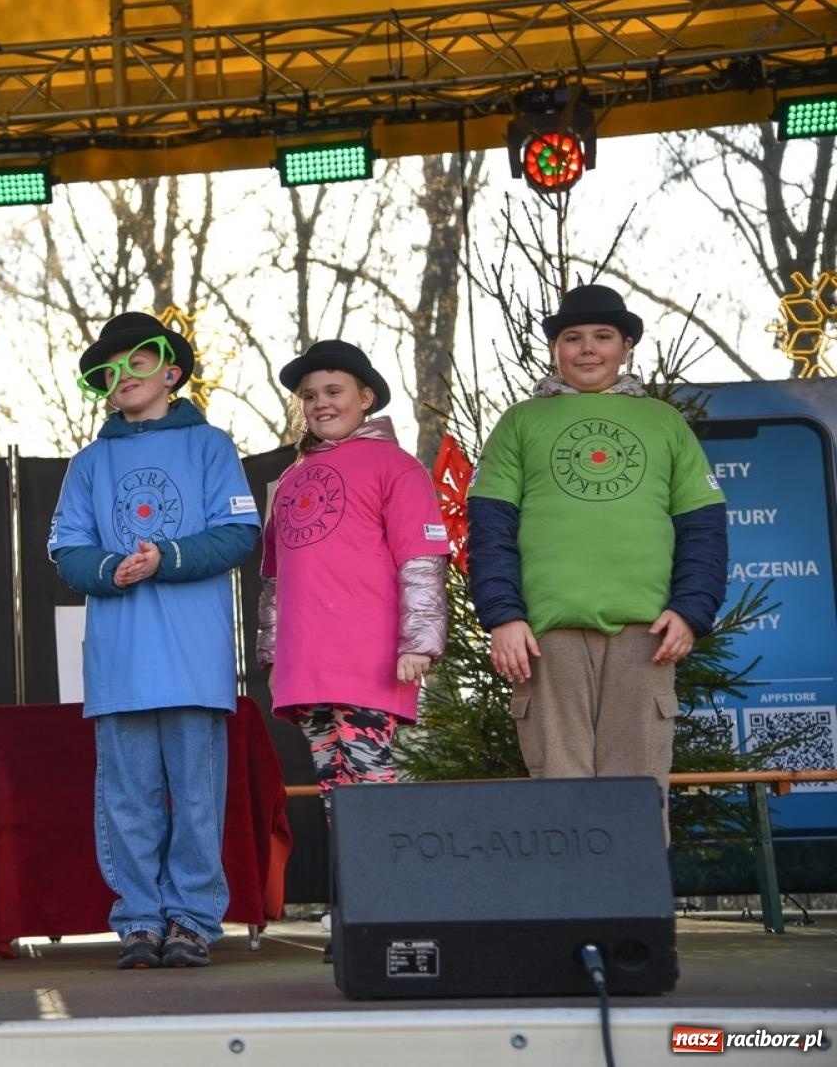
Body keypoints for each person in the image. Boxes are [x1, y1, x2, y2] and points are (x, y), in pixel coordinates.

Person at [467, 284, 727, 836]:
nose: (587, 349)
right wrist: (504, 615)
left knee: (637, 786)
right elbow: (489, 528)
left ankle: (636, 894)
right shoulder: (520, 422)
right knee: (559, 786)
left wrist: (691, 609)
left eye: (603, 337)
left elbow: (703, 527)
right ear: (556, 349)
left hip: (646, 635)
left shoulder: (664, 422)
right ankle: (567, 893)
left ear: (626, 346)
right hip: (545, 637)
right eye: (573, 338)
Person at [47, 311, 261, 969]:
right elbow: (66, 549)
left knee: (197, 800)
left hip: (196, 663)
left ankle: (192, 920)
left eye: (136, 362)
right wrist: (112, 569)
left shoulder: (212, 446)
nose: (122, 376)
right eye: (108, 371)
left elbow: (239, 533)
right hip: (119, 666)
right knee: (128, 802)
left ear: (171, 372)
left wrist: (165, 557)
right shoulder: (88, 463)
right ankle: (139, 920)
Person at [257, 341, 450, 821]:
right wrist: (273, 654)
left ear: (365, 398)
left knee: (370, 782)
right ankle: (355, 872)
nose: (320, 403)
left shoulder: (396, 466)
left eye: (333, 391)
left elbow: (421, 559)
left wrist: (419, 643)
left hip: (368, 659)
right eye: (310, 395)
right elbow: (274, 578)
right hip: (306, 663)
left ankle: (389, 870)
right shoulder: (292, 478)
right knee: (334, 793)